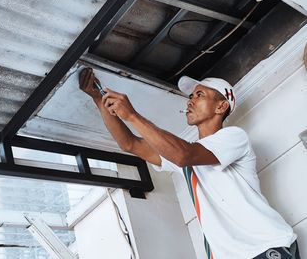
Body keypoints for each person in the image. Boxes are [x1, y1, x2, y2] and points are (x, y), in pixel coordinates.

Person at [79, 67, 300, 259]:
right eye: (191, 96)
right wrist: (99, 100)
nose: (190, 100)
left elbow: (184, 155)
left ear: (221, 106)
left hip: (265, 248)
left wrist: (133, 116)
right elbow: (130, 144)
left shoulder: (233, 138)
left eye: (199, 95)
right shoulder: (184, 155)